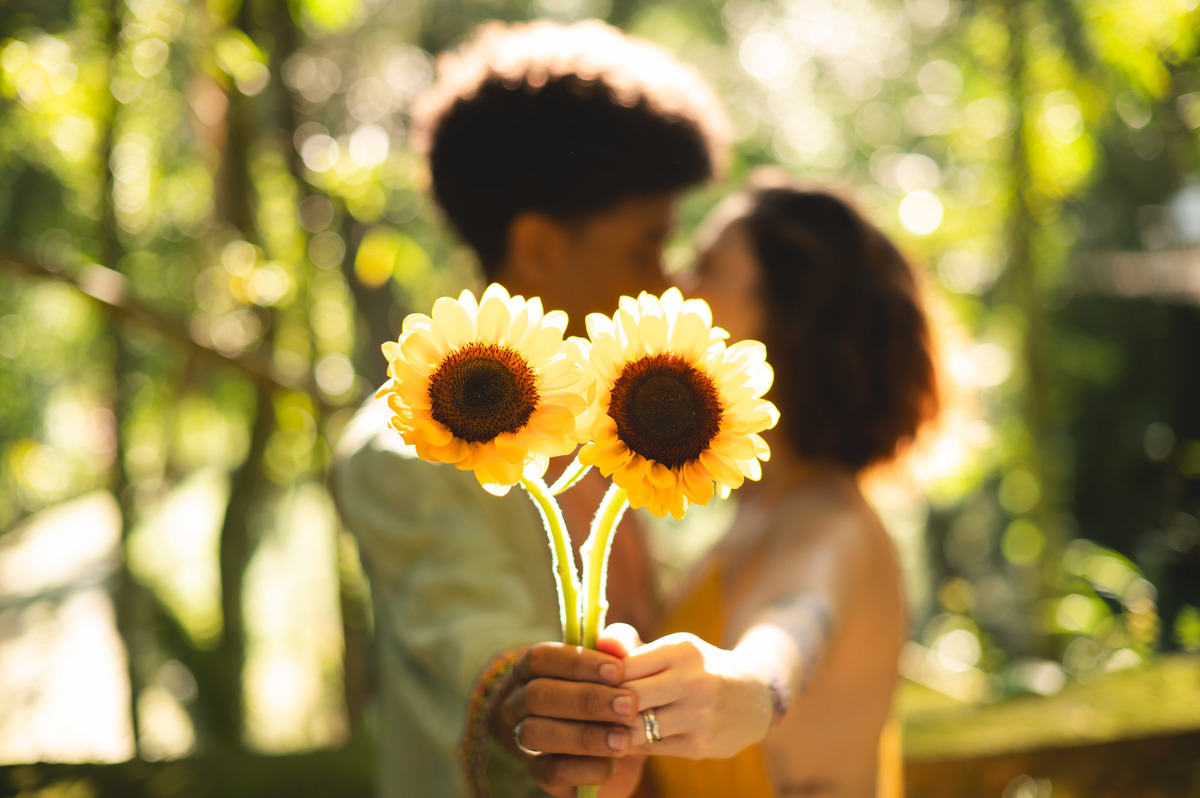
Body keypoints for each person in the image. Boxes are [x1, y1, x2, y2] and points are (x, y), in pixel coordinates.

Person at [328, 19, 729, 798]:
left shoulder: (618, 425)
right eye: (645, 246)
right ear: (540, 245)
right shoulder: (406, 451)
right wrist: (531, 696)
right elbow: (467, 629)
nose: (668, 280)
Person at [614, 173, 940, 797]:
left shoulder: (830, 522)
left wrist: (751, 687)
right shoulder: (767, 511)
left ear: (790, 319)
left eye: (706, 266)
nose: (674, 286)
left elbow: (792, 623)